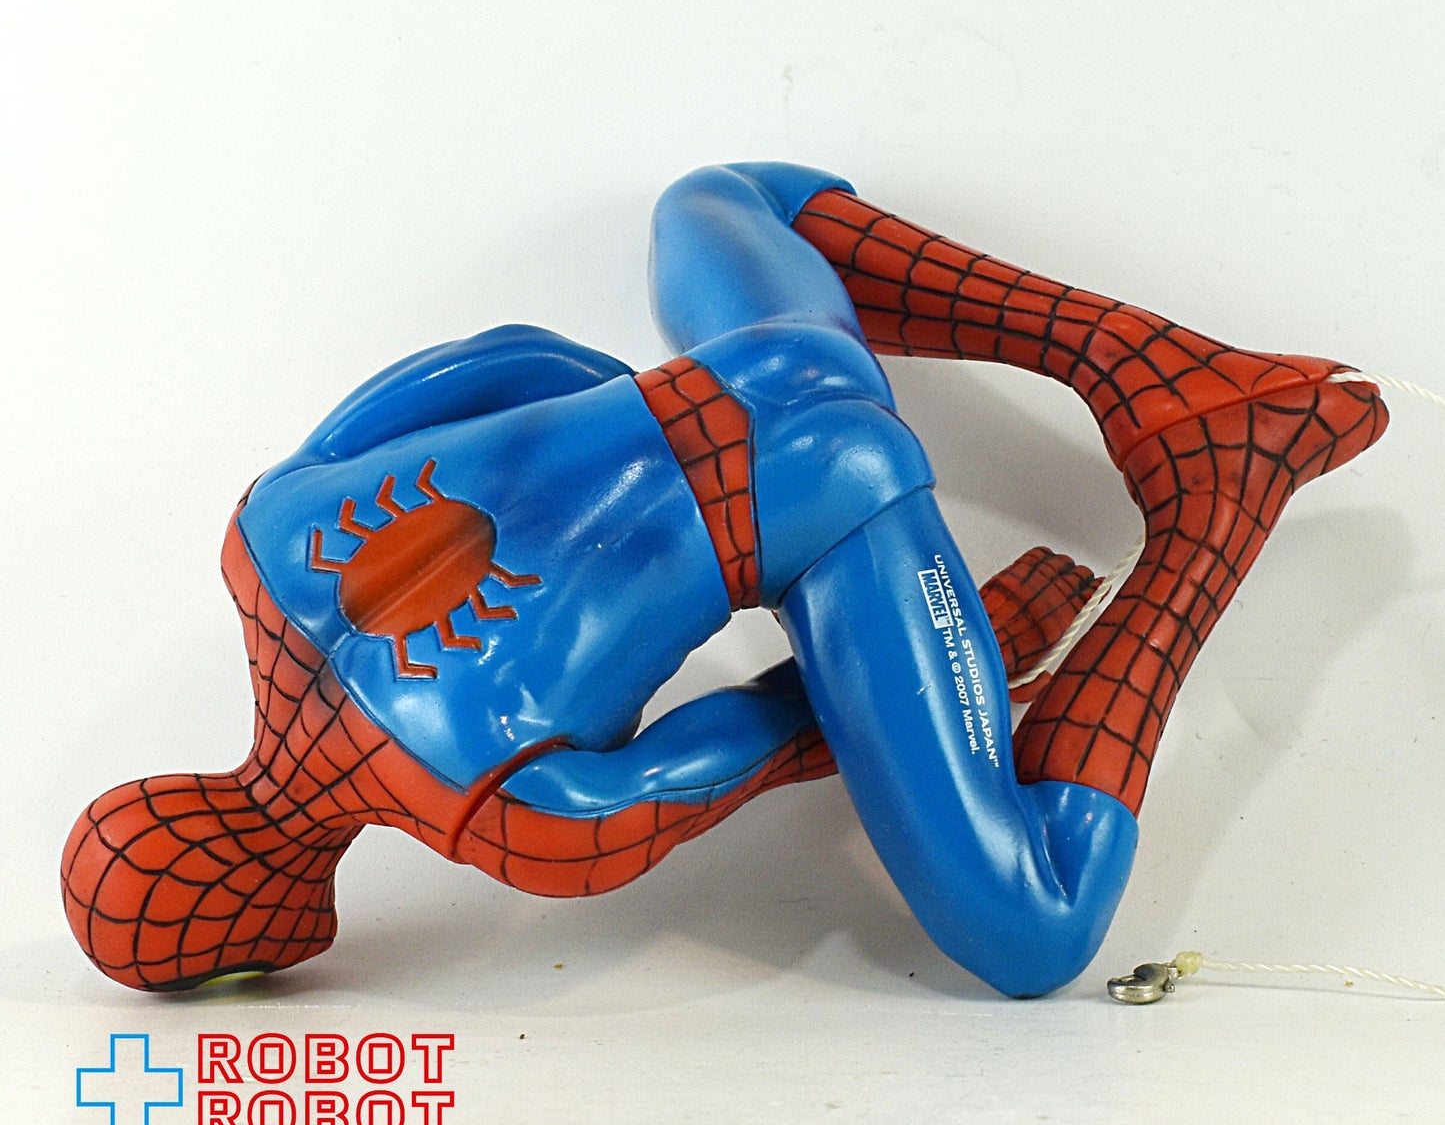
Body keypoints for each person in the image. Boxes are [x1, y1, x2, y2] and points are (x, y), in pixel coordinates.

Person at [62, 164, 1387, 997]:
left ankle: (1210, 507)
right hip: (767, 357)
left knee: (1030, 926)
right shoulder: (263, 534)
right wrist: (645, 426)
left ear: (269, 933)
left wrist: (964, 635)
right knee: (720, 197)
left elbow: (764, 733)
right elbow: (503, 357)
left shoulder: (507, 815)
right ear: (166, 788)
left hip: (838, 501)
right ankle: (1122, 357)